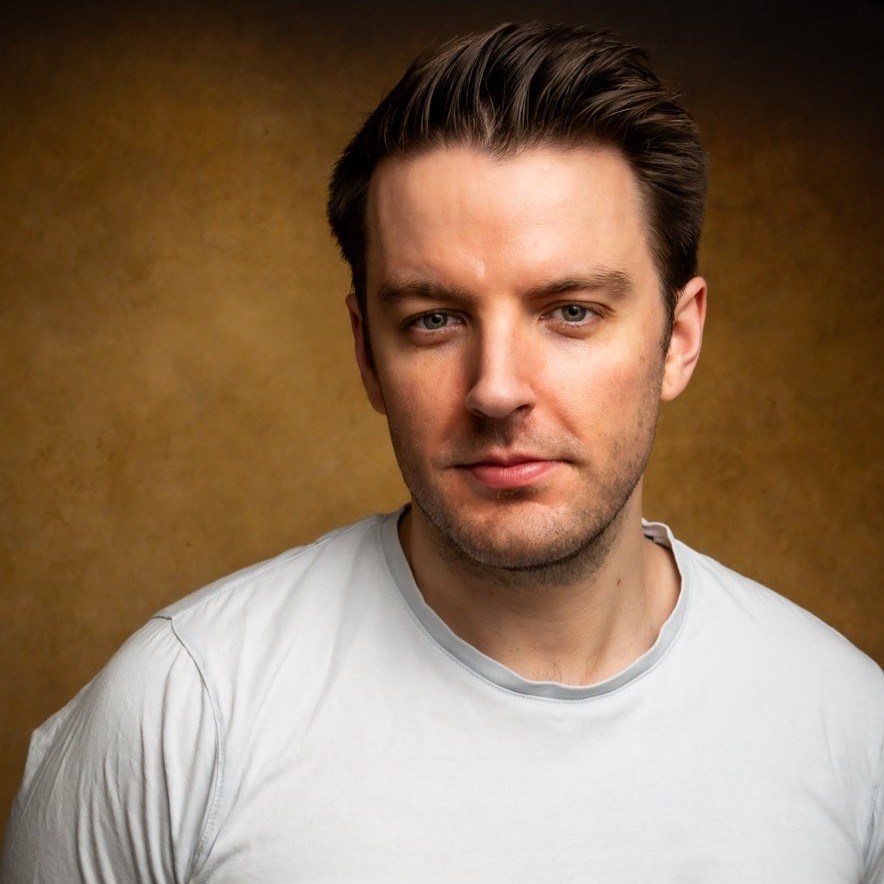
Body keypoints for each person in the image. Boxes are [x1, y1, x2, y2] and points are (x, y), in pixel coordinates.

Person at [2, 21, 882, 883]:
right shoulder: (177, 714)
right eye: (434, 320)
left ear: (678, 339)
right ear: (366, 352)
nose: (496, 388)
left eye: (571, 311)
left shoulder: (849, 728)